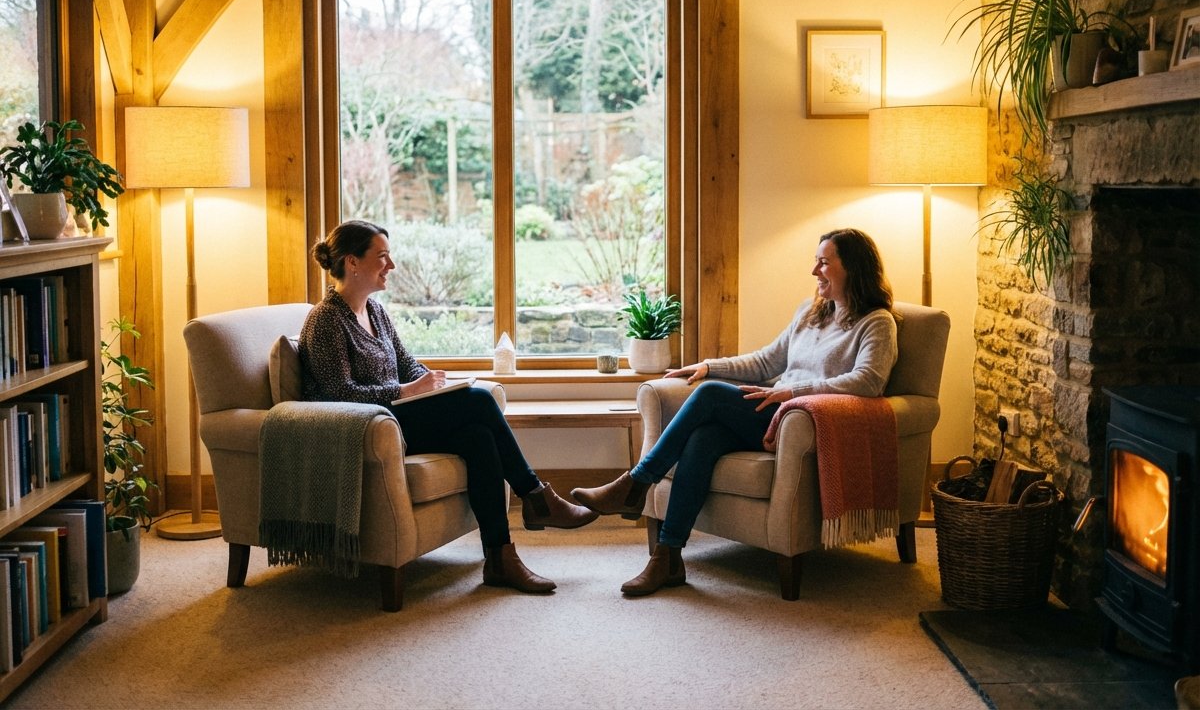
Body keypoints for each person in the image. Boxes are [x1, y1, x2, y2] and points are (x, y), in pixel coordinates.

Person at [573, 228, 899, 596]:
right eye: (816, 261)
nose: (814, 271)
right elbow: (766, 360)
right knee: (703, 436)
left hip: (805, 422)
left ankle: (635, 483)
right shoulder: (810, 314)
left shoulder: (877, 323)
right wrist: (709, 366)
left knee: (711, 396)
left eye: (824, 262)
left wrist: (793, 392)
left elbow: (868, 382)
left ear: (853, 268)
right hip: (774, 412)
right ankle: (667, 558)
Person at [299, 219, 598, 594]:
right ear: (352, 262)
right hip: (363, 430)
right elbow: (338, 393)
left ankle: (500, 558)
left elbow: (408, 365)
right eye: (382, 257)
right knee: (478, 401)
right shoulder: (325, 320)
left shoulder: (375, 313)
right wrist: (407, 391)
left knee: (477, 436)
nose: (390, 266)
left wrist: (433, 385)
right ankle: (536, 496)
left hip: (395, 422)